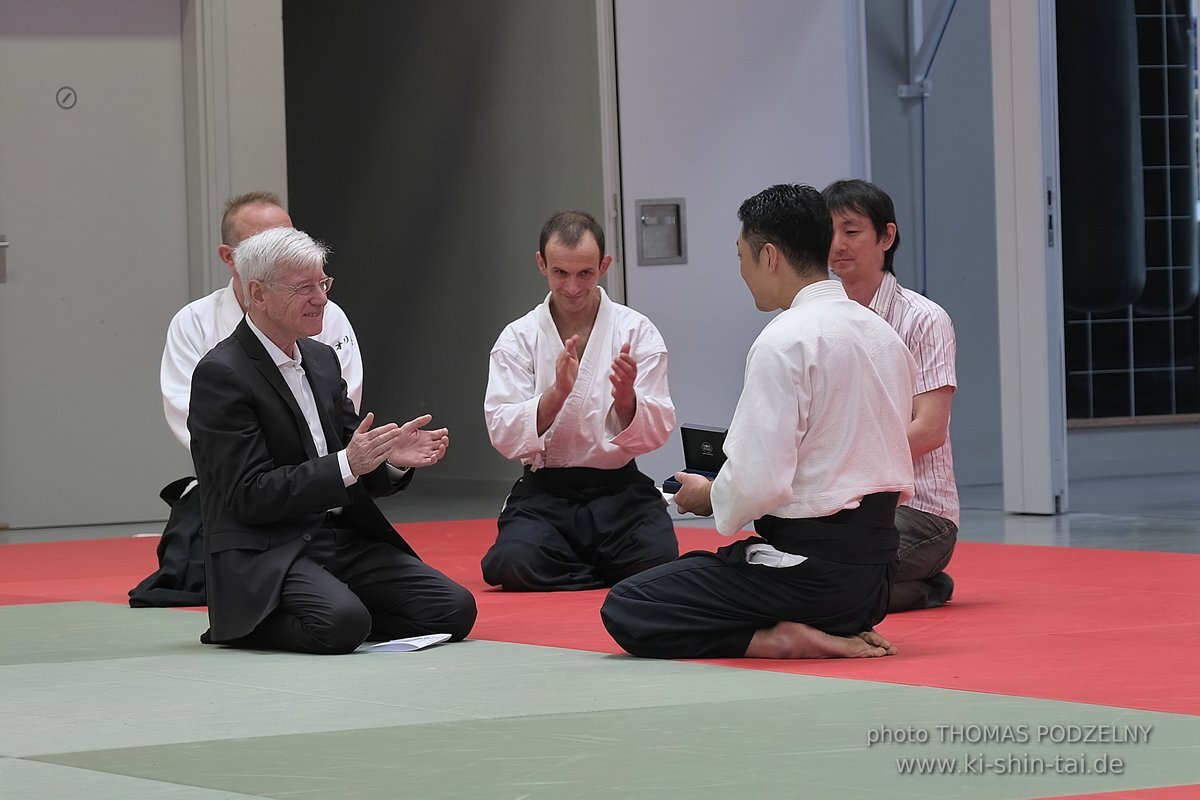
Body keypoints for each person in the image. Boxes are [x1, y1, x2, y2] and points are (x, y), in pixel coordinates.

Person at [601, 183, 916, 659]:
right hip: (875, 584)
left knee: (629, 604)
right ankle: (818, 625)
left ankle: (779, 639)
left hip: (807, 574)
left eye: (741, 257)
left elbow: (759, 483)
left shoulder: (785, 340)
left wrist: (708, 495)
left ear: (769, 256)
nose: (742, 272)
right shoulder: (883, 335)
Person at [188, 226, 476, 654]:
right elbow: (249, 495)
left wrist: (390, 459)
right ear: (258, 294)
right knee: (340, 625)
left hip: (339, 536)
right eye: (304, 287)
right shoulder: (223, 374)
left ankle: (344, 613)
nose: (321, 297)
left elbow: (353, 461)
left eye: (323, 283)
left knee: (454, 609)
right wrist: (349, 465)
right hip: (269, 548)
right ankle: (247, 624)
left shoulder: (321, 359)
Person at [131, 191, 362, 608]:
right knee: (191, 573)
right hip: (235, 478)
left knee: (439, 605)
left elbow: (340, 408)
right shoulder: (195, 323)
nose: (284, 248)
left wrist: (377, 456)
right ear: (230, 257)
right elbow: (193, 417)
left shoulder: (325, 313)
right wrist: (265, 462)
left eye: (290, 235)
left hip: (324, 476)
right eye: (265, 240)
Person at [481, 210, 679, 591]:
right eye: (561, 273)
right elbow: (502, 431)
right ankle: (603, 567)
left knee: (658, 557)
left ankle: (584, 565)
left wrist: (626, 402)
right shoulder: (518, 338)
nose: (572, 287)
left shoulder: (636, 331)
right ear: (542, 264)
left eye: (584, 273)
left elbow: (657, 431)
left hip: (620, 490)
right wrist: (555, 397)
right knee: (513, 562)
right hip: (547, 493)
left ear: (604, 265)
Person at [823, 179, 959, 612]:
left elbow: (930, 430)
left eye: (851, 230)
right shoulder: (817, 321)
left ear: (886, 236)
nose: (838, 244)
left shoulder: (923, 319)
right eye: (828, 233)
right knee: (783, 563)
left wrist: (846, 467)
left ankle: (921, 586)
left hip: (920, 511)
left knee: (823, 571)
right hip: (838, 503)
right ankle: (899, 590)